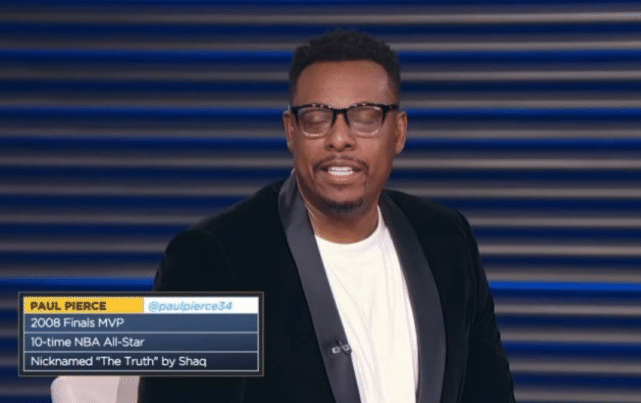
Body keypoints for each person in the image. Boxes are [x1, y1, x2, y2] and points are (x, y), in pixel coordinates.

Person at [138, 30, 515, 403]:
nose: (339, 139)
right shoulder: (209, 258)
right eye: (317, 118)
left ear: (398, 132)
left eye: (365, 117)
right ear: (291, 131)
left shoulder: (446, 239)